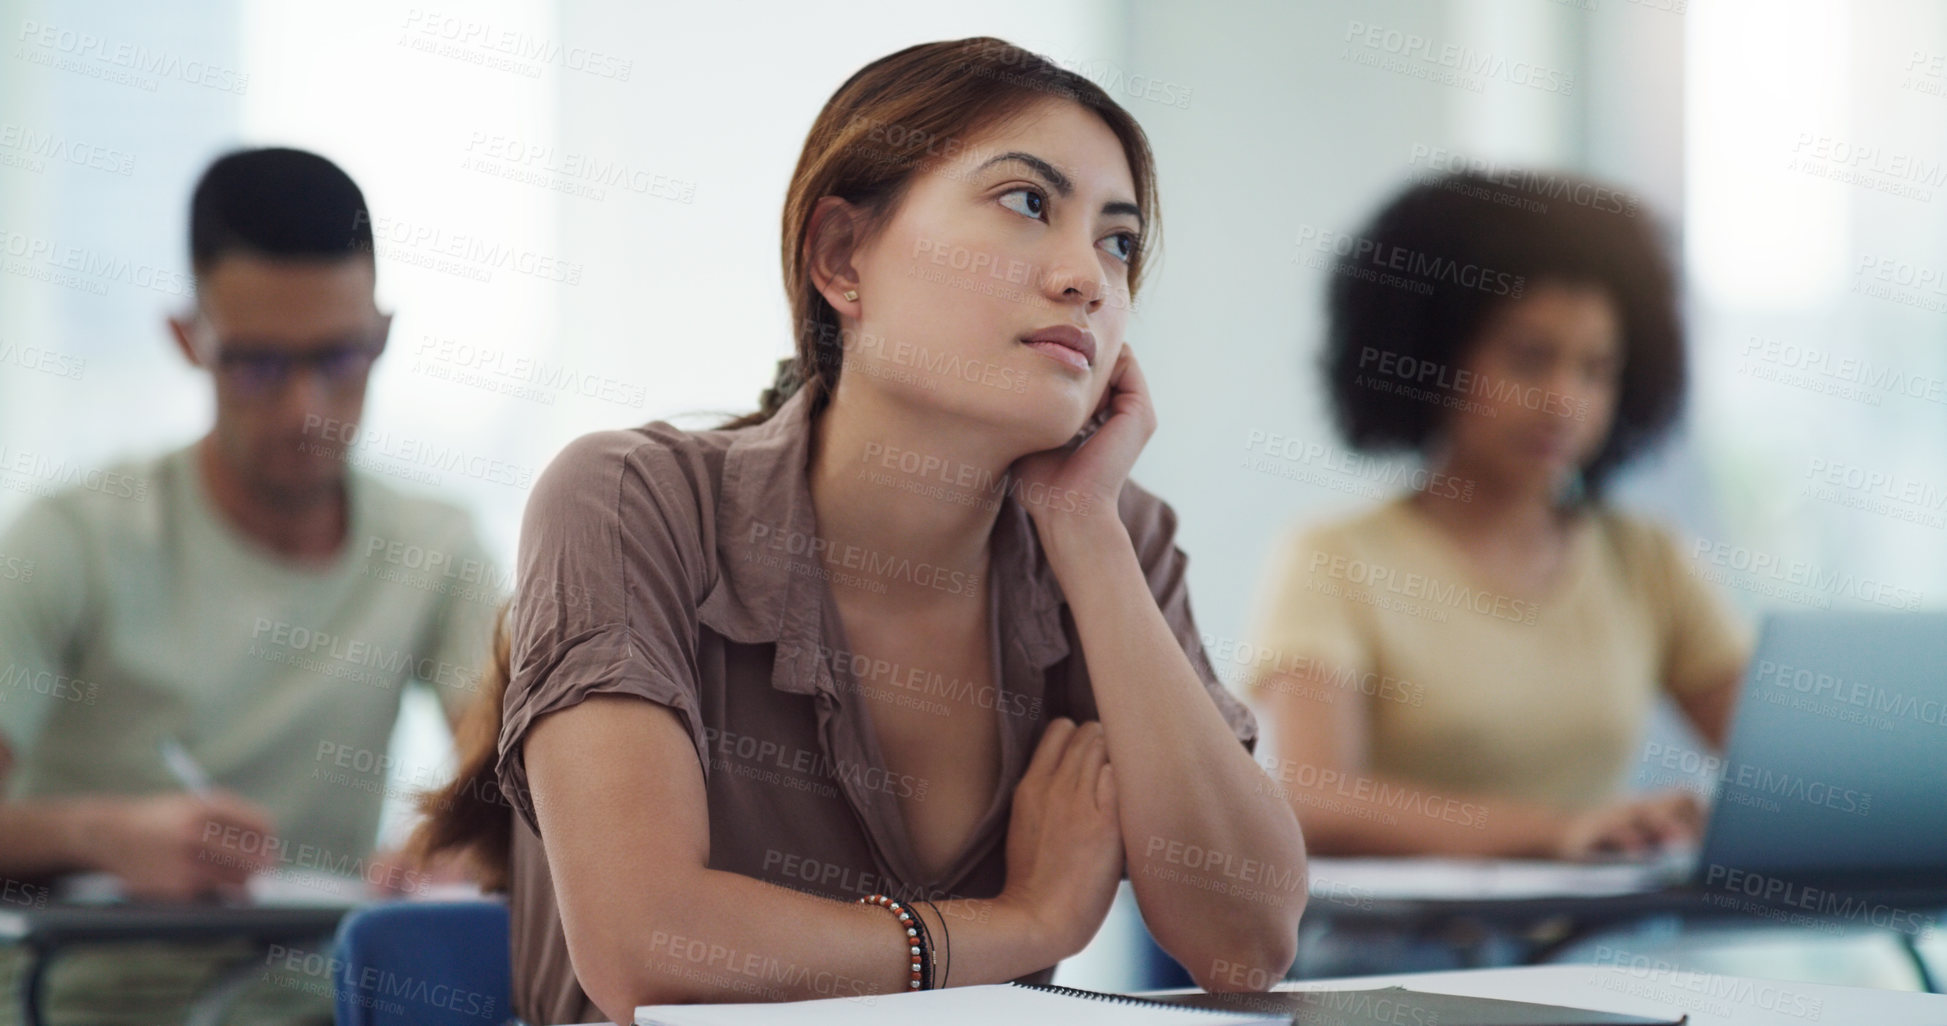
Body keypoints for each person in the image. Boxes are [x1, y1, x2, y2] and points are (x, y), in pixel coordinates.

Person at [415, 37, 1306, 1026]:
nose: (1086, 278)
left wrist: (1085, 531)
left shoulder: (1115, 534)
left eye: (1118, 240)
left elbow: (1246, 945)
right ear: (843, 257)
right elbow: (649, 950)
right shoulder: (629, 498)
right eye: (1026, 204)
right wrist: (1029, 922)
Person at [0, 147, 499, 1025]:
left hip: (322, 1007)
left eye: (342, 357)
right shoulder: (73, 538)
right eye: (261, 365)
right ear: (189, 340)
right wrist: (102, 838)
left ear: (383, 334)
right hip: (86, 1005)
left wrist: (458, 844)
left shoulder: (435, 548)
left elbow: (509, 777)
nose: (306, 405)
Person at [1249, 170, 1750, 861]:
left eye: (1595, 369)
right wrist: (1555, 833)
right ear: (1430, 358)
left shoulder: (1646, 559)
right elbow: (1310, 800)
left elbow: (1786, 768)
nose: (1562, 401)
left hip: (1589, 948)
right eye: (1529, 358)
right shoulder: (1333, 556)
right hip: (1386, 956)